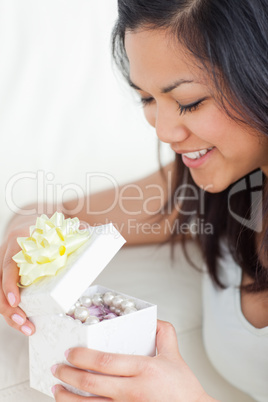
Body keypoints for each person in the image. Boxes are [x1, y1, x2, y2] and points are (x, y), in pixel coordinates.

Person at [1, 0, 268, 400]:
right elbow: (58, 211)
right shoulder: (215, 186)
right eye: (147, 99)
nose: (163, 131)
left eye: (189, 101)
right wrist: (29, 240)